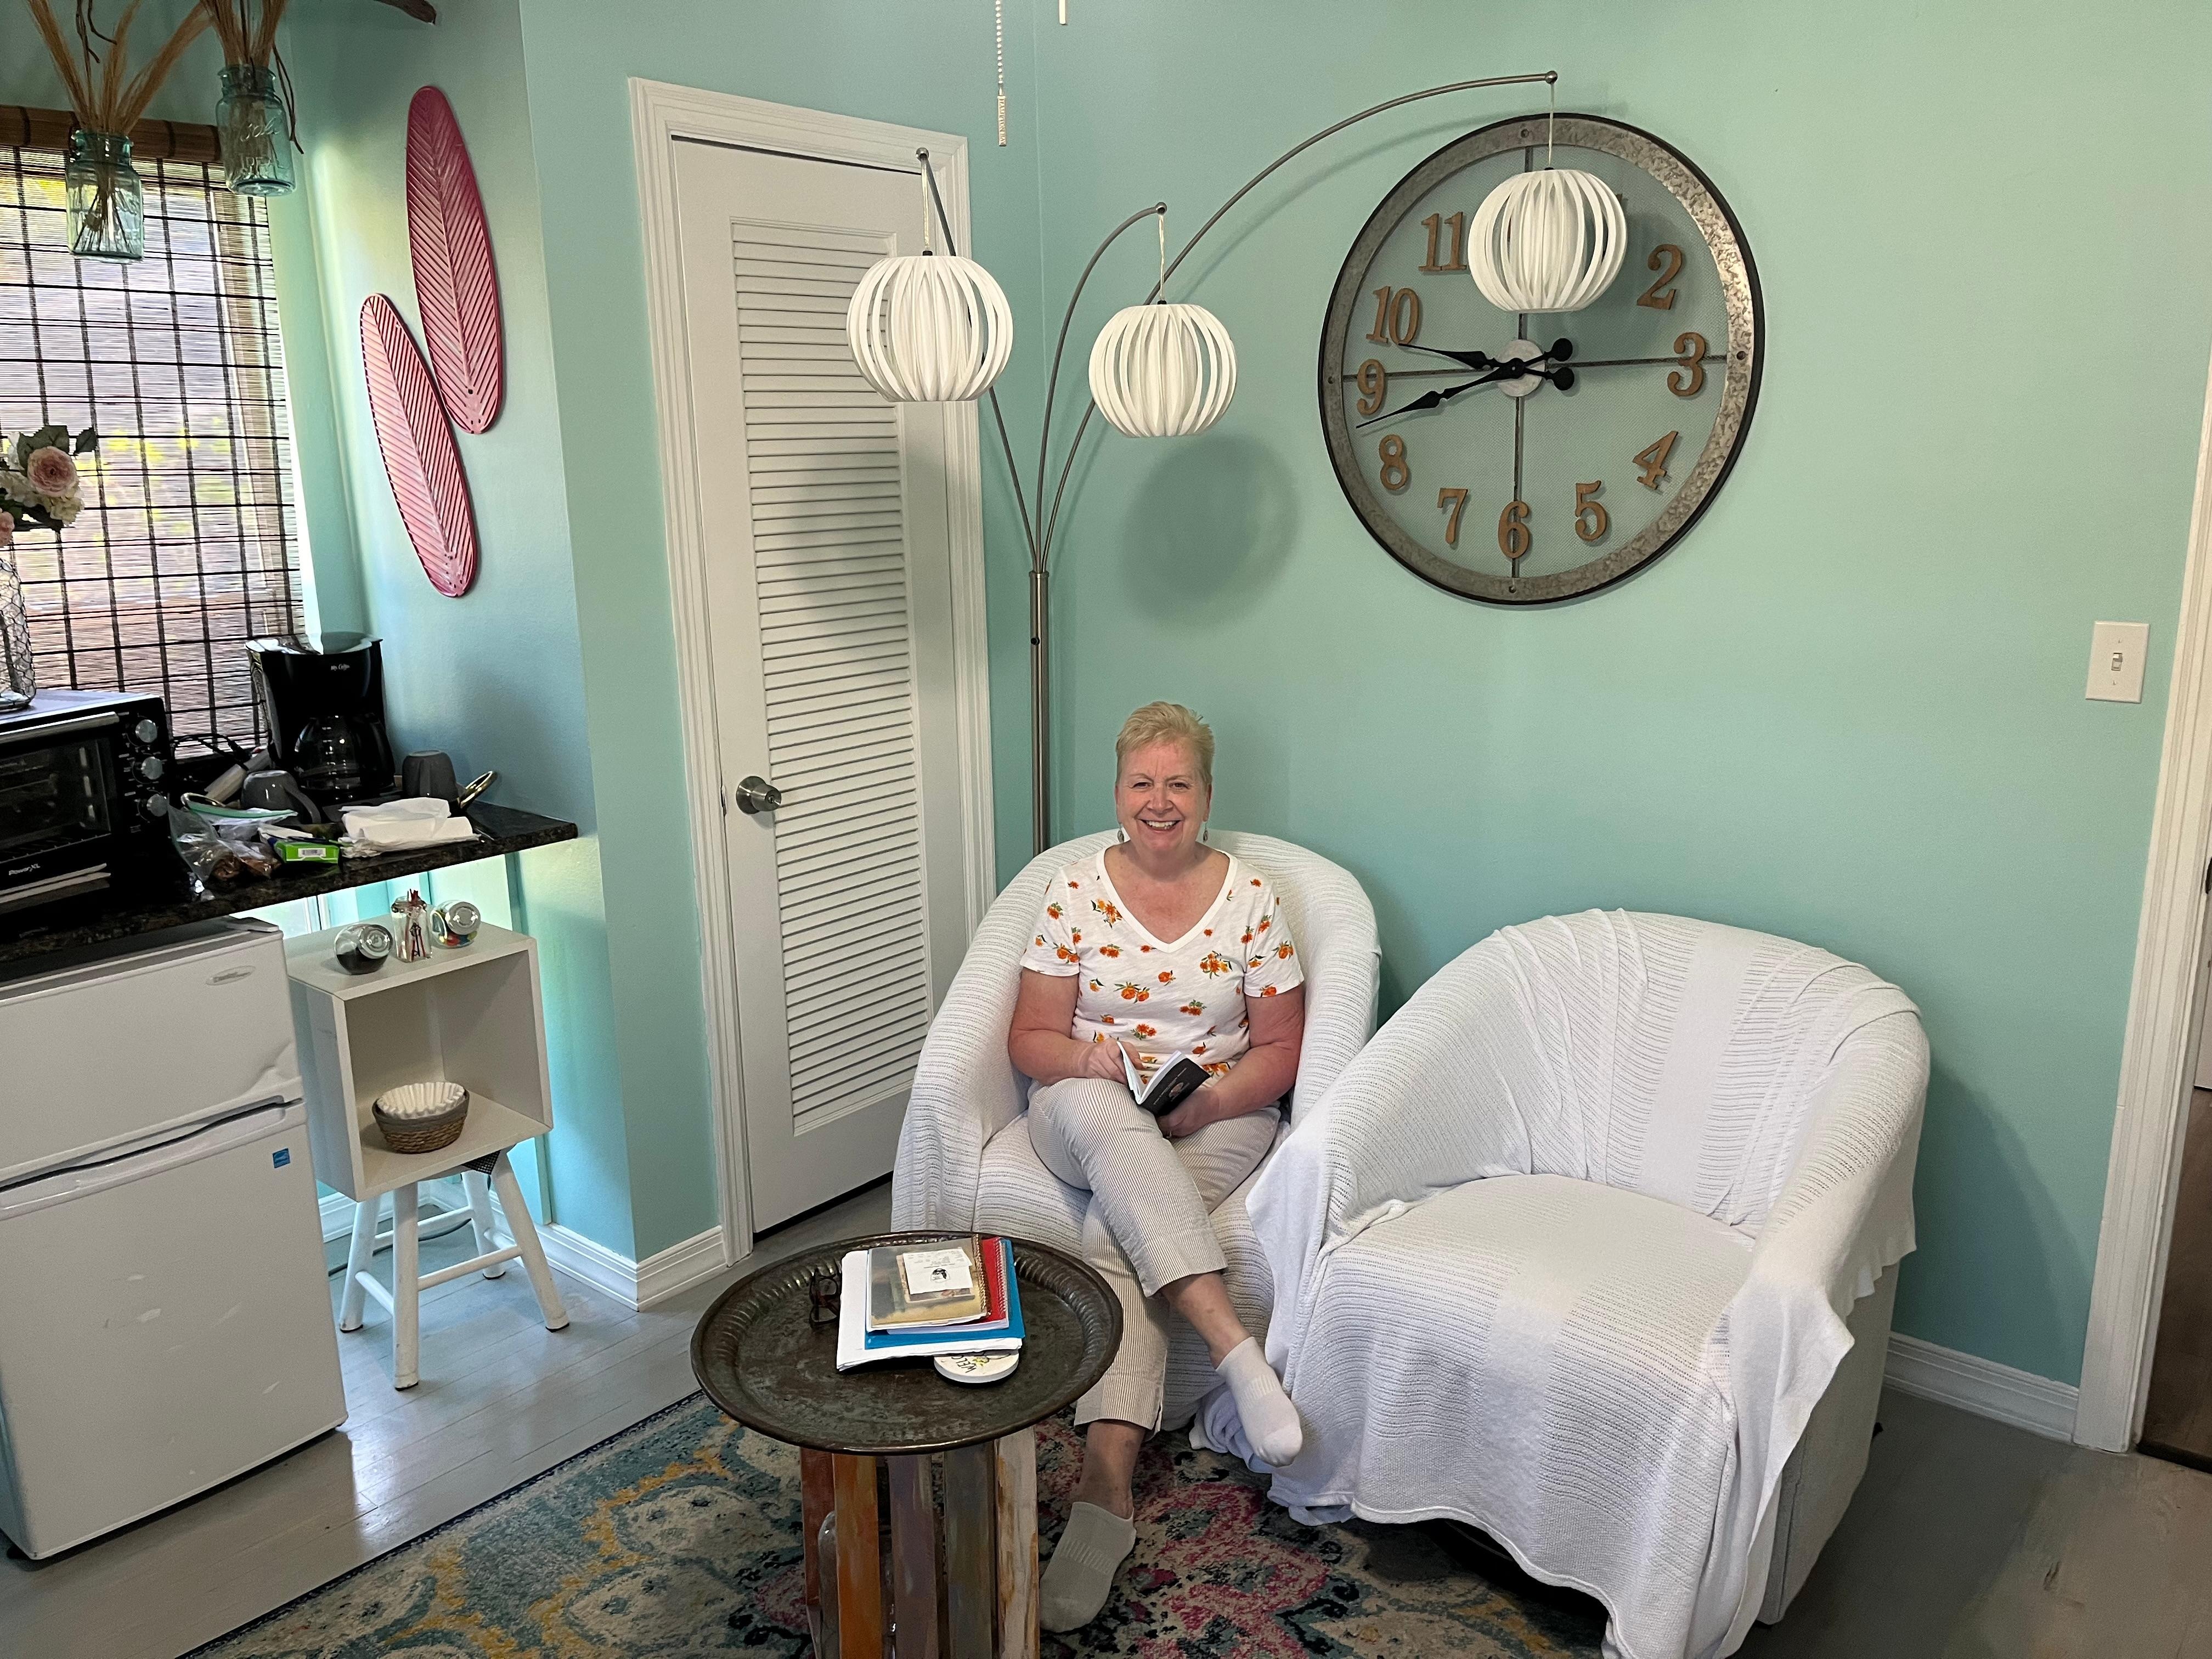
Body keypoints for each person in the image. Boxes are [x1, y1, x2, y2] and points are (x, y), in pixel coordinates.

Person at [1008, 701, 1307, 1632]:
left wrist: (1213, 1100)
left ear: (1208, 796)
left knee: (1113, 1229)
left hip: (1215, 1114)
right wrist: (1087, 1060)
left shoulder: (1251, 896)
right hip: (1082, 1105)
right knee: (1108, 1117)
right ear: (1118, 793)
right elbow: (1030, 1037)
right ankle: (1237, 1353)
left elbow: (1284, 1047)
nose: (1160, 801)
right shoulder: (1073, 890)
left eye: (1179, 783)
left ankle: (1104, 1495)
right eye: (1143, 782)